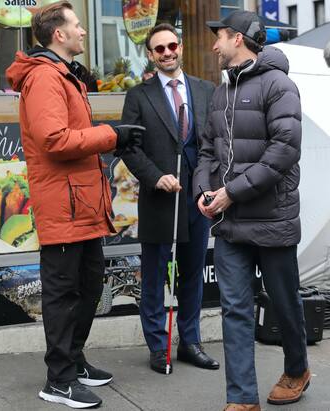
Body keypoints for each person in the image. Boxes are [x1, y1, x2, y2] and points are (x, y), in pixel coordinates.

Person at [6, 1, 143, 409]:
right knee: (64, 293)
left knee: (89, 286)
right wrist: (111, 136)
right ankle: (59, 379)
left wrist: (109, 138)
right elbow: (54, 140)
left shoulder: (65, 76)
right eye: (78, 25)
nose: (84, 31)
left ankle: (74, 362)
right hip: (63, 205)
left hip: (80, 204)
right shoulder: (46, 78)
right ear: (58, 34)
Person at [193, 10, 310, 411]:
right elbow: (207, 151)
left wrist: (230, 192)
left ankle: (297, 369)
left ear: (239, 39)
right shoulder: (221, 91)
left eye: (219, 37)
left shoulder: (280, 86)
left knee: (285, 304)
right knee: (235, 311)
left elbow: (283, 151)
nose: (213, 45)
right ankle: (242, 399)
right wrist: (204, 191)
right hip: (229, 224)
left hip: (272, 220)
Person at [120, 23, 220, 374]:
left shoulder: (207, 90)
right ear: (150, 54)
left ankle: (190, 343)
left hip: (197, 198)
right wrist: (154, 177)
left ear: (180, 47)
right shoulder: (138, 95)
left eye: (171, 46)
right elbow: (129, 148)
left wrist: (210, 185)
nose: (167, 53)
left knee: (191, 274)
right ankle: (158, 348)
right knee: (153, 278)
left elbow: (216, 142)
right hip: (159, 198)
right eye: (158, 49)